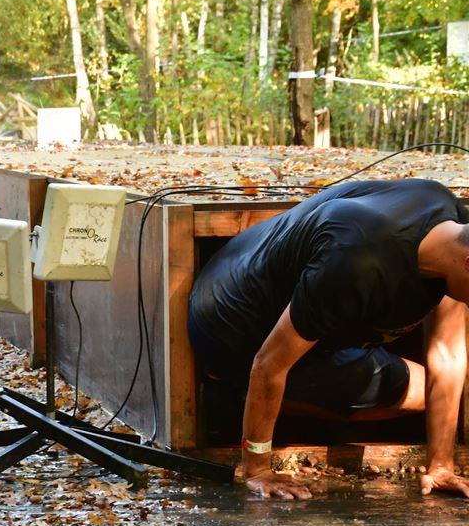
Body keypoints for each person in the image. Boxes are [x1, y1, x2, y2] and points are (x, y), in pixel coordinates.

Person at [189, 178, 469, 500]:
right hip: (230, 324)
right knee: (417, 392)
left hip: (262, 280)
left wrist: (441, 466)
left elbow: (447, 353)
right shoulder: (358, 261)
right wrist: (257, 469)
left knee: (435, 389)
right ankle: (233, 398)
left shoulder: (451, 221)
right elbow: (268, 363)